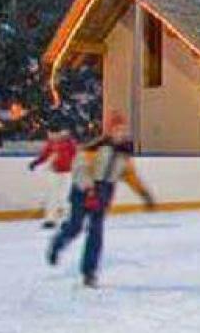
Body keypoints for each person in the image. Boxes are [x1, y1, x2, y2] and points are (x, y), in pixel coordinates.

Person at [48, 113, 155, 287]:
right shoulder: (94, 147)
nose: (120, 133)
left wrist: (144, 194)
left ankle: (89, 272)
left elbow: (130, 176)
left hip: (104, 192)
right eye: (116, 129)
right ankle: (57, 244)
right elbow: (80, 168)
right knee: (75, 226)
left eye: (123, 129)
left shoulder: (124, 153)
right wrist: (89, 189)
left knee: (96, 232)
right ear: (109, 130)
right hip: (82, 190)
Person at [28, 125, 77, 228]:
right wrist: (35, 163)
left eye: (51, 134)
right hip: (54, 172)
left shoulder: (69, 142)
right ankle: (50, 219)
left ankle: (67, 219)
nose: (49, 136)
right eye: (49, 134)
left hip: (67, 173)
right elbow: (44, 155)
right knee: (52, 195)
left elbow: (75, 155)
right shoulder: (51, 143)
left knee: (64, 197)